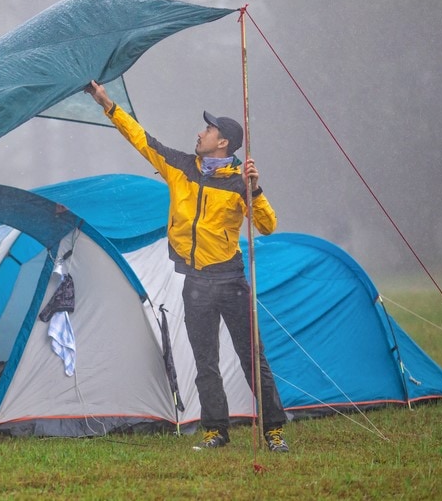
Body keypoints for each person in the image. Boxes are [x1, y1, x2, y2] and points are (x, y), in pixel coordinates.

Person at [84, 80, 289, 453]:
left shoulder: (240, 181)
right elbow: (141, 140)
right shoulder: (181, 166)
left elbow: (268, 226)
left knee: (252, 358)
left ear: (223, 141)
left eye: (208, 129)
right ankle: (216, 430)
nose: (201, 133)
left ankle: (273, 430)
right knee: (204, 361)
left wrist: (254, 191)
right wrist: (108, 104)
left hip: (230, 280)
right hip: (195, 282)